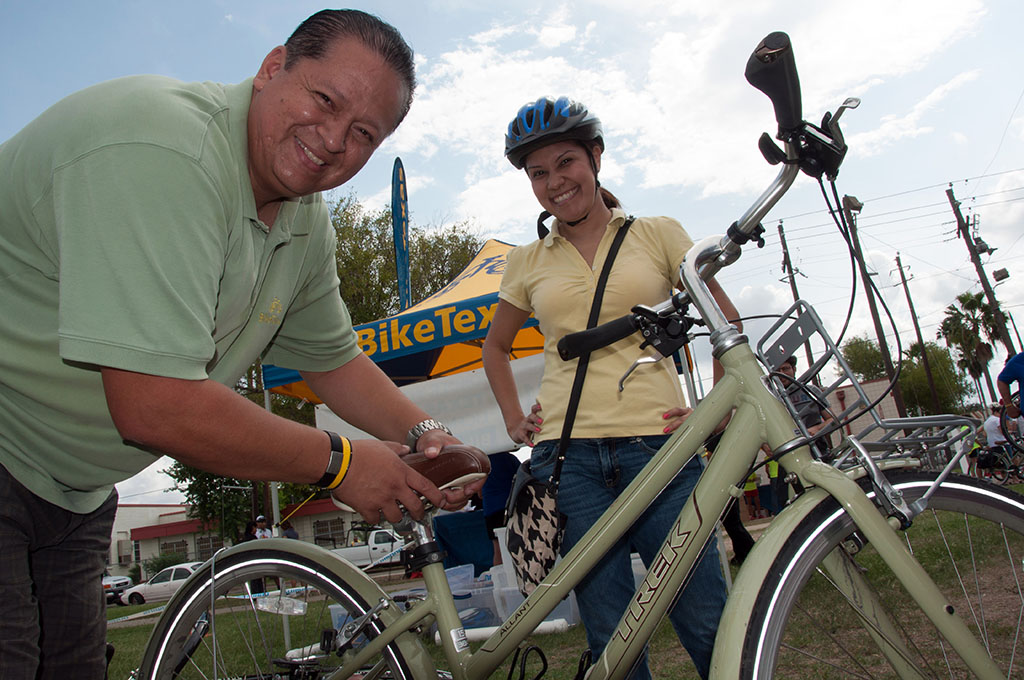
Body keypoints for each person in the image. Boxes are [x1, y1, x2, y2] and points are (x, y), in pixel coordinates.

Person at [0, 10, 483, 680]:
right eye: (324, 99)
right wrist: (341, 465)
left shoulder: (305, 219)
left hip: (73, 494)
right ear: (270, 68)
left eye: (364, 132)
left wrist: (430, 438)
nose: (335, 138)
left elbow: (332, 358)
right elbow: (155, 406)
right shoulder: (163, 151)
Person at [482, 97, 734, 680]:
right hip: (569, 466)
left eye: (565, 162)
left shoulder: (659, 234)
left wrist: (712, 412)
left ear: (596, 156)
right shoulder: (526, 260)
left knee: (707, 622)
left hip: (663, 455)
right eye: (537, 174)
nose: (554, 182)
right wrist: (513, 419)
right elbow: (494, 348)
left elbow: (727, 319)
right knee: (613, 640)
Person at [480, 451, 520, 566]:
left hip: (491, 508)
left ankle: (502, 578)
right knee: (519, 543)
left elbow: (479, 494)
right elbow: (521, 478)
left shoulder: (480, 462)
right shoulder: (509, 458)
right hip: (511, 505)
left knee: (498, 549)